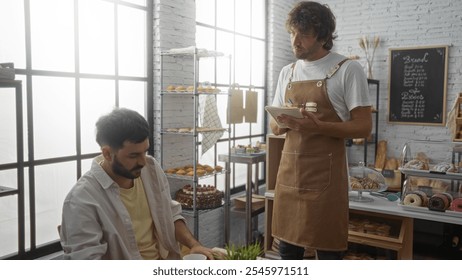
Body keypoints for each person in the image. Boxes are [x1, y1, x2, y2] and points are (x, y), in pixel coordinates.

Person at [269, 1, 372, 260]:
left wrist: (318, 126)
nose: (295, 40)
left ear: (324, 36)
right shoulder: (287, 72)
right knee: (288, 251)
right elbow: (274, 128)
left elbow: (364, 127)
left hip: (326, 181)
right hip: (290, 175)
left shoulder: (348, 69)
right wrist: (286, 121)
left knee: (328, 254)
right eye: (293, 33)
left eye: (304, 34)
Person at [60, 108, 214, 260]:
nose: (142, 161)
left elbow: (170, 214)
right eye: (133, 155)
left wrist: (194, 244)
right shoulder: (81, 200)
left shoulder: (151, 169)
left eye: (145, 151)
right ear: (107, 153)